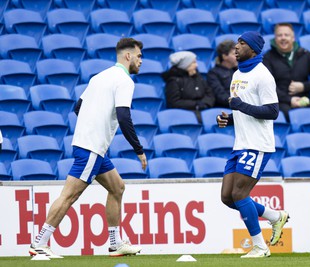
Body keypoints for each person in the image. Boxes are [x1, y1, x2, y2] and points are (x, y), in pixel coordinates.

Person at [29, 38, 147, 258]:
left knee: (117, 188)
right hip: (92, 147)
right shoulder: (124, 81)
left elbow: (78, 107)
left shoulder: (98, 77)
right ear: (128, 56)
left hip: (92, 146)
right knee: (69, 196)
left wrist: (91, 126)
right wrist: (138, 149)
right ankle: (39, 243)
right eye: (139, 56)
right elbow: (123, 116)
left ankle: (115, 244)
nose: (142, 60)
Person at [216, 31, 289, 258]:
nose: (236, 46)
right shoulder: (238, 73)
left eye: (242, 43)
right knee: (227, 197)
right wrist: (229, 118)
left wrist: (239, 107)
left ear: (254, 49)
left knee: (240, 194)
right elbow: (245, 109)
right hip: (241, 143)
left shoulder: (263, 75)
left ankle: (259, 247)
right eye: (237, 42)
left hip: (257, 144)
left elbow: (272, 111)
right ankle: (275, 217)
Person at [262, 23, 310, 122]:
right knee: (287, 114)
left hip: (303, 101)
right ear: (275, 39)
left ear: (293, 38)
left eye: (286, 35)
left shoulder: (305, 54)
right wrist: (289, 100)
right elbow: (266, 85)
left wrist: (304, 86)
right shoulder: (268, 58)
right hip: (280, 102)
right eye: (280, 35)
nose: (283, 38)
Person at [162, 51, 215, 122]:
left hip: (203, 110)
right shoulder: (174, 81)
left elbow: (210, 94)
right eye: (193, 63)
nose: (196, 65)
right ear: (185, 65)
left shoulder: (198, 77)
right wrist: (196, 104)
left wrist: (205, 104)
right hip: (184, 114)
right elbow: (174, 102)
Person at [207, 40, 238, 108]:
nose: (237, 56)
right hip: (225, 108)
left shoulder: (238, 71)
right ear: (224, 56)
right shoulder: (213, 73)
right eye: (233, 54)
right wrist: (238, 103)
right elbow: (220, 96)